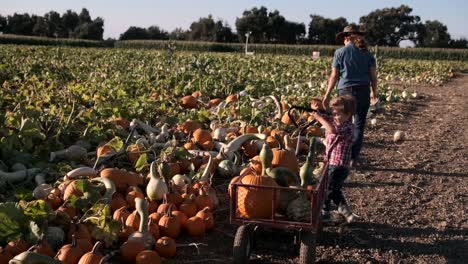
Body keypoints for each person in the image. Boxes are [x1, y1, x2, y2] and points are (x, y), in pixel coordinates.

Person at [322, 24, 378, 167]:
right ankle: (353, 157)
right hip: (363, 91)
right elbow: (373, 77)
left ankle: (339, 156)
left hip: (345, 91)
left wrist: (327, 95)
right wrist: (374, 93)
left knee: (342, 123)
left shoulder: (340, 52)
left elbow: (334, 76)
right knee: (359, 125)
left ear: (346, 37)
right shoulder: (368, 54)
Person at [311, 95, 356, 223]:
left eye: (338, 114)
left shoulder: (348, 127)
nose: (335, 117)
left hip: (339, 165)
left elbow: (331, 130)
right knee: (333, 189)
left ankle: (325, 214)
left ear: (349, 114)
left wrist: (319, 118)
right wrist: (317, 110)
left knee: (326, 190)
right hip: (332, 163)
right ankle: (346, 212)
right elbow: (328, 118)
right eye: (334, 114)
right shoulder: (337, 121)